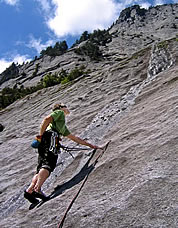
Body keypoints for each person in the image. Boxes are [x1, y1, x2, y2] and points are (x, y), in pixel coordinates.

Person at [24, 103, 102, 204]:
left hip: (46, 141)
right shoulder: (59, 113)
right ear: (60, 108)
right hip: (51, 137)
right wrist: (41, 135)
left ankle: (29, 191)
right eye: (65, 106)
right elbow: (47, 119)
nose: (67, 108)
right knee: (48, 164)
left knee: (41, 167)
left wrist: (91, 146)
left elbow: (75, 138)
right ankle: (37, 189)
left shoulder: (62, 127)